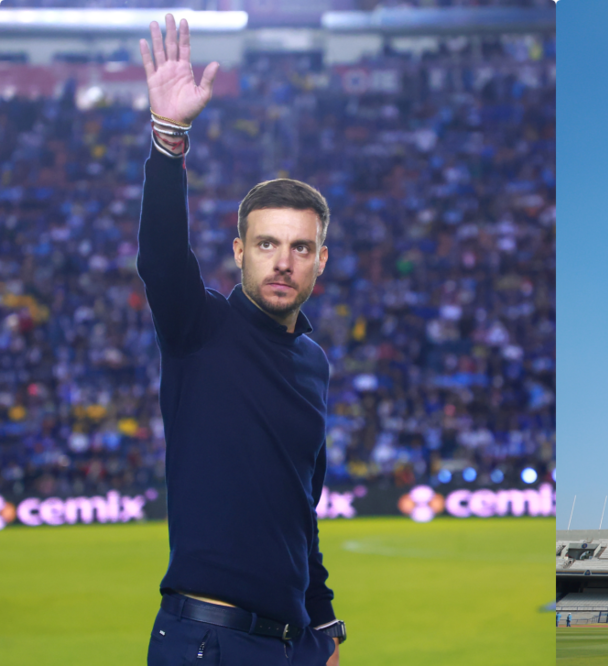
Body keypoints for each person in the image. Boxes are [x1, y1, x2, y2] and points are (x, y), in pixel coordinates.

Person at [136, 14, 342, 666]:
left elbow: (299, 514)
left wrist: (324, 626)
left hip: (293, 648)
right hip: (208, 642)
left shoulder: (314, 365)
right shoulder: (198, 328)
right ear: (240, 253)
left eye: (299, 247)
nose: (283, 261)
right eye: (267, 244)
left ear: (320, 261)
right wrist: (170, 139)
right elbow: (162, 259)